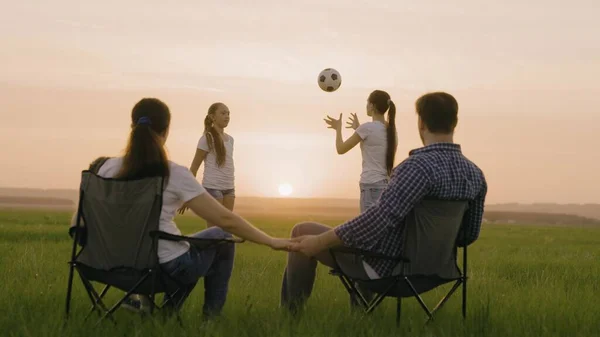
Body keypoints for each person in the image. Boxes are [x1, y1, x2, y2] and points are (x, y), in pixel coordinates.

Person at [71, 98, 291, 318]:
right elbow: (227, 220)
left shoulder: (101, 168)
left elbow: (77, 226)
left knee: (185, 246)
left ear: (132, 127)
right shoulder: (172, 173)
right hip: (160, 271)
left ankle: (156, 312)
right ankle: (209, 321)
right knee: (220, 236)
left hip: (102, 268)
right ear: (166, 130)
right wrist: (272, 241)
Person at [281, 92, 488, 313]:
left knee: (302, 230)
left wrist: (321, 241)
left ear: (421, 123)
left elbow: (376, 221)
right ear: (455, 122)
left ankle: (290, 319)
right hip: (438, 273)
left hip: (390, 272)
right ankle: (359, 315)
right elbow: (468, 236)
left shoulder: (416, 168)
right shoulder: (475, 174)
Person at [324, 90, 397, 213]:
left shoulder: (367, 128)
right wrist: (358, 129)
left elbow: (341, 149)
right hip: (387, 185)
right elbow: (375, 144)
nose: (366, 106)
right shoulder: (392, 132)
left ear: (372, 106)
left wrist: (338, 128)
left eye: (367, 102)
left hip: (370, 185)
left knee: (368, 228)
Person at [178, 103, 235, 226]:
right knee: (214, 230)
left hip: (229, 188)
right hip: (213, 188)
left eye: (228, 113)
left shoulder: (230, 139)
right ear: (212, 117)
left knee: (228, 228)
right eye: (223, 113)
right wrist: (188, 194)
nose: (227, 116)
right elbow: (194, 167)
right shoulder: (206, 139)